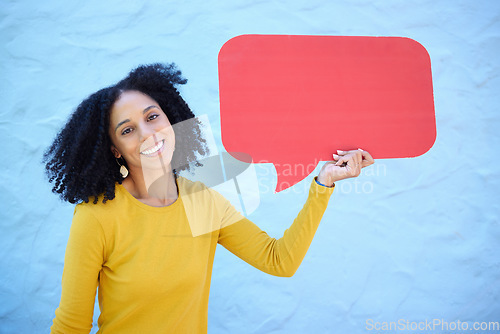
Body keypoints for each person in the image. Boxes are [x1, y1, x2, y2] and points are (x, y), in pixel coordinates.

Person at [44, 63, 374, 333]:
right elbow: (71, 326)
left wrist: (324, 182)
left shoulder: (202, 201)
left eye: (153, 116)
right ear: (115, 149)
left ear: (171, 120)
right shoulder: (98, 216)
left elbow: (279, 261)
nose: (148, 133)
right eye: (128, 129)